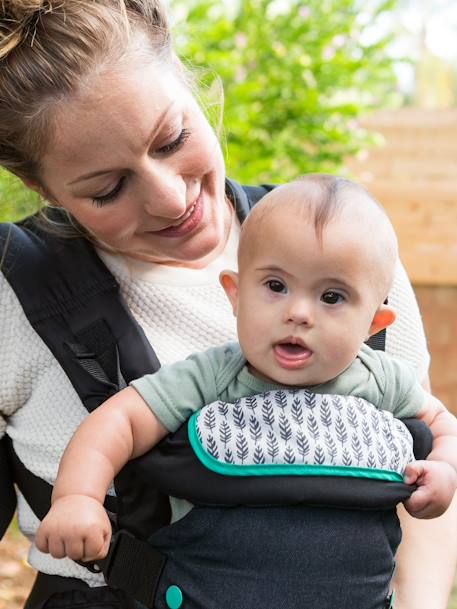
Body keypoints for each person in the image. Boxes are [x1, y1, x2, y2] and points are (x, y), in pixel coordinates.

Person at [0, 2, 455, 609]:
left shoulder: (349, 254)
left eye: (173, 138)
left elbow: (421, 461)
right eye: (108, 188)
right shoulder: (16, 297)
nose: (169, 199)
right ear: (43, 188)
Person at [35, 176, 457, 608]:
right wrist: (78, 497)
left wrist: (443, 468)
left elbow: (444, 424)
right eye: (275, 286)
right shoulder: (214, 376)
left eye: (332, 296)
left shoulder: (382, 381)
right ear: (235, 295)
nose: (298, 313)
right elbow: (117, 421)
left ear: (374, 324)